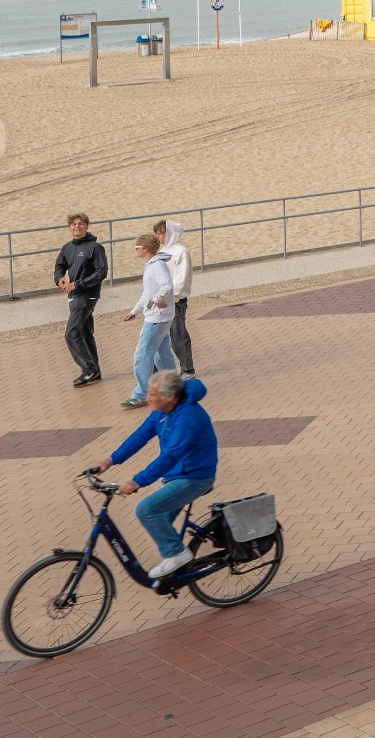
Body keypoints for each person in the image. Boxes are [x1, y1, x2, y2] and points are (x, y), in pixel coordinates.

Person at [88, 371, 217, 579]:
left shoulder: (188, 417)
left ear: (170, 396)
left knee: (146, 509)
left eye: (152, 395)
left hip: (195, 477)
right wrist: (110, 460)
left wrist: (137, 481)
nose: (147, 398)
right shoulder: (161, 412)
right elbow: (140, 436)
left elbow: (170, 456)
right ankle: (178, 570)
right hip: (176, 475)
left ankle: (177, 554)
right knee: (160, 521)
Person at [122, 232, 177, 409]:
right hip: (161, 317)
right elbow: (148, 293)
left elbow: (167, 285)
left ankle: (141, 394)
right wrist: (135, 311)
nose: (135, 250)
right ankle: (174, 387)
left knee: (142, 355)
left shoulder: (156, 266)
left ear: (145, 249)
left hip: (156, 319)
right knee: (162, 354)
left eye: (137, 247)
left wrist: (157, 299)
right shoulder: (153, 265)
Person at [55, 214, 108, 389]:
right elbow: (59, 266)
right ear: (69, 227)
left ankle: (88, 369)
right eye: (73, 224)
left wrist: (77, 284)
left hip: (87, 296)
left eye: (80, 223)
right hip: (73, 295)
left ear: (86, 226)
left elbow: (101, 272)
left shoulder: (95, 248)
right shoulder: (67, 248)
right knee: (85, 333)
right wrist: (60, 279)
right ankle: (95, 370)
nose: (77, 226)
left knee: (71, 333)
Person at [152, 219, 198, 379]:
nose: (158, 237)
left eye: (161, 233)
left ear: (169, 233)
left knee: (177, 335)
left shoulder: (181, 252)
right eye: (157, 234)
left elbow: (181, 279)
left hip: (176, 302)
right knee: (155, 336)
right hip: (160, 302)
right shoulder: (161, 252)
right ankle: (154, 372)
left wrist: (171, 298)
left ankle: (188, 369)